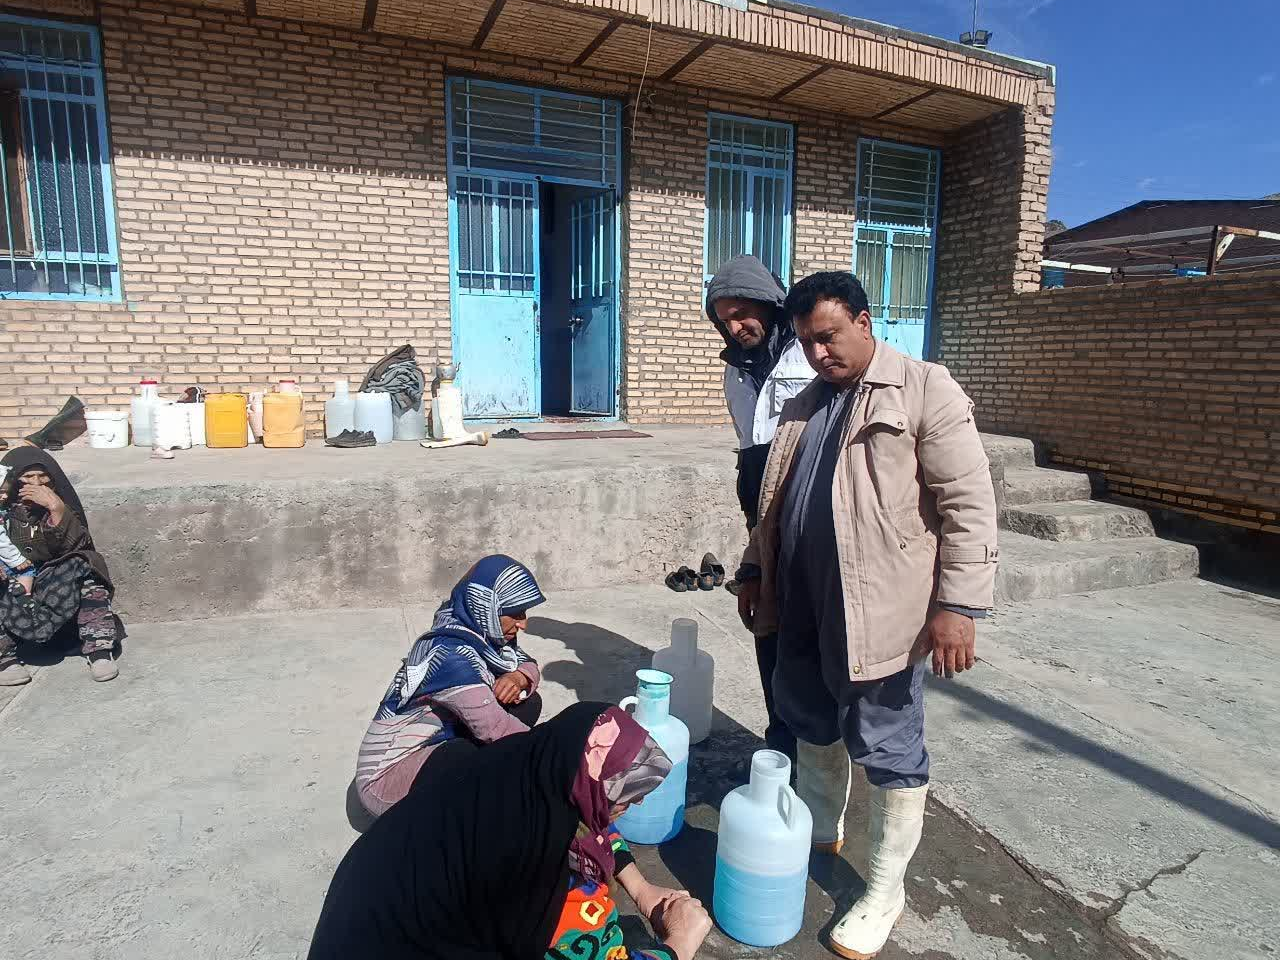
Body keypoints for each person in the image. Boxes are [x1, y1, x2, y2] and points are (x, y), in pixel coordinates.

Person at [736, 272, 998, 959]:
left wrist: (958, 605)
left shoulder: (924, 388)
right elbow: (773, 502)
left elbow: (969, 502)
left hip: (883, 610)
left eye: (828, 336)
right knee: (808, 714)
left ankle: (884, 888)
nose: (818, 353)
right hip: (802, 601)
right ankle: (822, 826)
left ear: (863, 320)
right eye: (806, 342)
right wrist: (755, 567)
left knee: (887, 743)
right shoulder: (804, 404)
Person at [310, 702, 714, 960]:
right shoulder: (541, 873)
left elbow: (588, 822)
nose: (635, 805)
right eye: (623, 796)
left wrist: (641, 889)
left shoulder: (513, 770)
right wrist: (680, 942)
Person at [705, 254, 814, 764]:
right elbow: (750, 443)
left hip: (808, 511)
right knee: (767, 627)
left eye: (742, 313)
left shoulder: (808, 355)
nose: (735, 327)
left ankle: (819, 751)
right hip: (761, 514)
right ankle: (781, 743)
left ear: (769, 305)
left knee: (809, 635)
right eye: (724, 318)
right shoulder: (736, 369)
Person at [354, 554, 548, 817]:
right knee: (464, 756)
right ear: (486, 605)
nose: (523, 624)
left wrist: (518, 678)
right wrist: (557, 755)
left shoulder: (481, 632)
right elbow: (495, 727)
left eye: (524, 613)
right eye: (514, 613)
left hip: (438, 739)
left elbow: (527, 663)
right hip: (386, 779)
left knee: (527, 702)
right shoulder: (451, 655)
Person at [0, 448, 120, 686]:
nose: (37, 483)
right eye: (28, 477)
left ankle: (98, 650)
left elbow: (77, 547)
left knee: (85, 565)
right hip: (11, 593)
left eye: (43, 477)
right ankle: (4, 659)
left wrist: (56, 509)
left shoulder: (60, 505)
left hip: (53, 591)